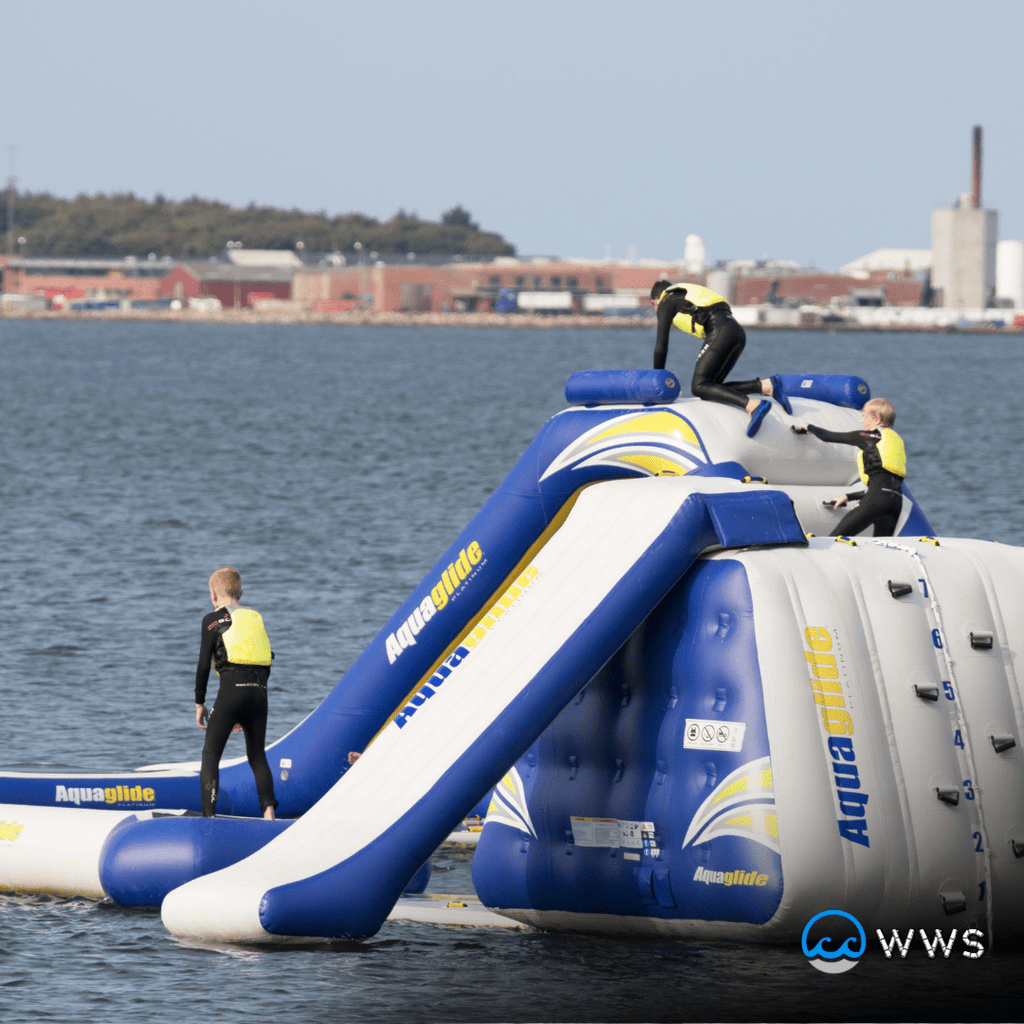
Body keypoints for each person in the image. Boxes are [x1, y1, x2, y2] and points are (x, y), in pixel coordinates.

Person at [651, 279, 791, 437]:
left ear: (654, 302)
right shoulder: (681, 294)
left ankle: (753, 405)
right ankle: (766, 386)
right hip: (736, 332)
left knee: (699, 386)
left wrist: (657, 381)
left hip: (721, 331)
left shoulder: (665, 299)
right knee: (712, 388)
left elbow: (660, 347)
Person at [194, 566, 278, 819]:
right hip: (259, 693)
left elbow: (202, 664)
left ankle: (209, 818)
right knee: (256, 755)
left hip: (231, 691)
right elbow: (264, 659)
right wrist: (249, 702)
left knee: (211, 754)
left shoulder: (212, 619)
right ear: (240, 592)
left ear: (213, 593)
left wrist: (200, 702)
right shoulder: (255, 617)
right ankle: (270, 814)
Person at [793, 397, 906, 537]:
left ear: (876, 420)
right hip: (895, 503)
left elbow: (828, 436)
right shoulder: (896, 442)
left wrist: (809, 427)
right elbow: (885, 486)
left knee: (835, 540)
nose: (862, 420)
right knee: (883, 546)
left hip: (876, 499)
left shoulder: (867, 436)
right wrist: (849, 496)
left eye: (864, 416)